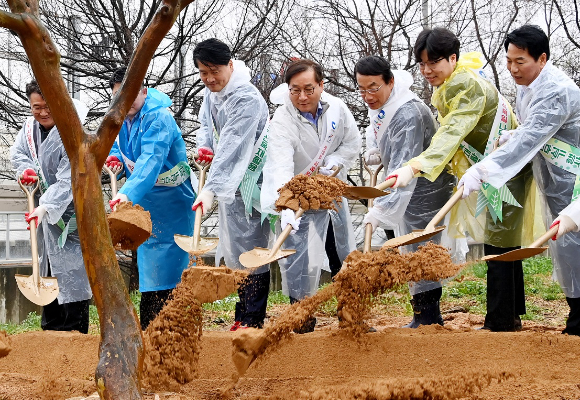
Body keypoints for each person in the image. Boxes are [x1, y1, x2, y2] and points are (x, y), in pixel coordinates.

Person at [387, 27, 536, 332]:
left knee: (500, 242)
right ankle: (510, 314)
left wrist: (414, 167)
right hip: (492, 167)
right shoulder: (454, 80)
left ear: (453, 58)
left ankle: (501, 321)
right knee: (502, 240)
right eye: (422, 64)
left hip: (504, 169)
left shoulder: (466, 86)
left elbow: (451, 132)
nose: (427, 71)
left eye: (434, 63)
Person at [460, 25, 580, 336]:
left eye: (520, 61)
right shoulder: (530, 83)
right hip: (556, 180)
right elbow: (533, 129)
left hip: (573, 178)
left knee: (575, 246)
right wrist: (515, 134)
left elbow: (531, 138)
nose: (513, 69)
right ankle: (577, 317)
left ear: (542, 58)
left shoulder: (556, 90)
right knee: (565, 248)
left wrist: (482, 170)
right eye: (509, 61)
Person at [262, 59, 361, 333]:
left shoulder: (337, 110)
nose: (302, 97)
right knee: (299, 260)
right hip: (297, 197)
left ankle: (351, 315)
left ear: (321, 85)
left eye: (309, 89)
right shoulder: (282, 119)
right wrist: (286, 207)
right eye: (295, 90)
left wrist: (337, 161)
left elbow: (352, 142)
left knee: (341, 253)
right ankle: (302, 319)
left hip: (329, 194)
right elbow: (281, 164)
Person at [356, 56, 456, 328]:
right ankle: (422, 316)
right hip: (404, 187)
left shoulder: (407, 113)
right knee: (412, 250)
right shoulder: (385, 103)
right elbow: (379, 132)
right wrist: (376, 149)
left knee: (422, 251)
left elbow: (404, 171)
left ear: (390, 82)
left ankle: (428, 318)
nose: (367, 96)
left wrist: (379, 210)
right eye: (361, 89)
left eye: (373, 88)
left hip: (423, 190)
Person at [190, 38, 271, 331]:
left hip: (251, 181)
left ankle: (253, 318)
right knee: (237, 250)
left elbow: (234, 145)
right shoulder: (213, 95)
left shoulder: (245, 98)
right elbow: (206, 129)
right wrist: (204, 147)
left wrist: (211, 188)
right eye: (203, 72)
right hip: (228, 184)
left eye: (214, 70)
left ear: (230, 65)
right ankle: (242, 314)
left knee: (253, 248)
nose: (209, 78)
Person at [106, 67, 195, 330]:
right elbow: (116, 147)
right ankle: (151, 332)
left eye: (133, 92)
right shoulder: (119, 117)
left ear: (144, 91)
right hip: (143, 204)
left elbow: (150, 160)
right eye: (120, 94)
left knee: (172, 272)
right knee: (150, 273)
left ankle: (173, 334)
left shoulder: (159, 118)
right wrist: (115, 163)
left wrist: (125, 193)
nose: (127, 99)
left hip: (172, 202)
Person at [10, 81, 92, 333]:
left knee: (73, 270)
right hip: (44, 212)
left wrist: (45, 207)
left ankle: (75, 330)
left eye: (48, 107)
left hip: (71, 214)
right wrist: (27, 171)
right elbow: (18, 154)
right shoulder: (28, 131)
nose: (43, 112)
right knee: (47, 266)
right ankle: (51, 329)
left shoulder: (72, 131)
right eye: (36, 107)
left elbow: (69, 178)